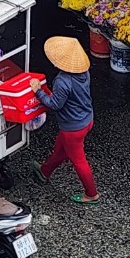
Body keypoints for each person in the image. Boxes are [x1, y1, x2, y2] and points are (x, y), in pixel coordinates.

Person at [30, 37, 98, 203]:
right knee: (61, 149)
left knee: (79, 161)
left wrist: (38, 91)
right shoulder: (84, 73)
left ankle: (91, 194)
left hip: (73, 127)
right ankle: (44, 171)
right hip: (86, 119)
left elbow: (55, 105)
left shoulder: (62, 81)